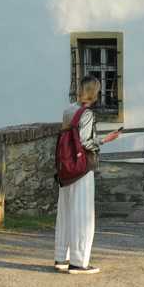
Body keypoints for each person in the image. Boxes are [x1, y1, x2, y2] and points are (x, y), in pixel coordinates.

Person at [54, 76, 121, 274]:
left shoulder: (69, 110)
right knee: (83, 214)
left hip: (66, 166)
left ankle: (61, 257)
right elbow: (85, 142)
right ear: (94, 92)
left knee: (65, 211)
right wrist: (103, 141)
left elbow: (72, 137)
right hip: (81, 167)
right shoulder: (87, 113)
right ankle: (79, 261)